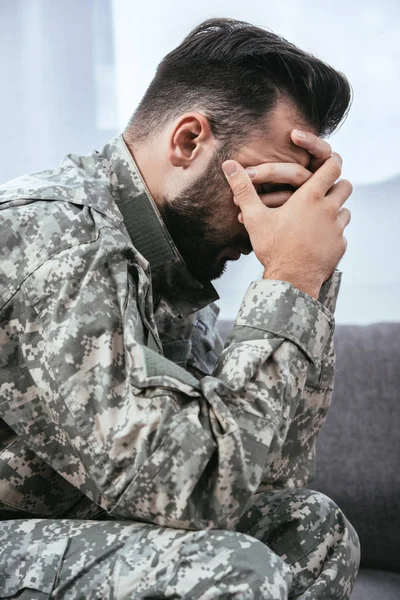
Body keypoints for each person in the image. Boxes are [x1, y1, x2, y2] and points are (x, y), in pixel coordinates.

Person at [0, 17, 359, 600]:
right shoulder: (58, 240)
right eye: (273, 191)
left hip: (61, 528)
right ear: (190, 141)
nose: (270, 226)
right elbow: (196, 490)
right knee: (231, 568)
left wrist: (310, 285)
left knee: (313, 531)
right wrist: (289, 279)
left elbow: (267, 477)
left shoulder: (173, 264)